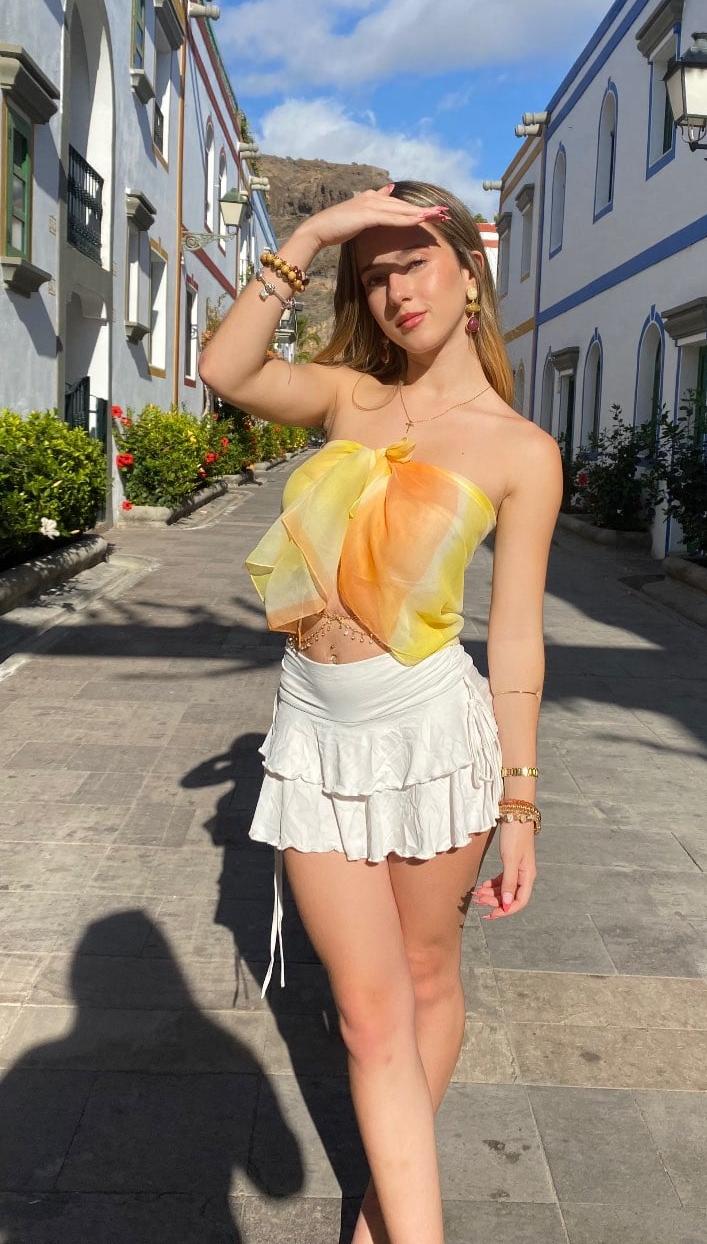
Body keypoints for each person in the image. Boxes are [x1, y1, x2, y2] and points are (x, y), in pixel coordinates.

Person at [198, 180, 562, 1244]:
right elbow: (226, 369)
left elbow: (518, 637)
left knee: (425, 973)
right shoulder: (347, 397)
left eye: (415, 262)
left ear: (468, 273)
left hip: (430, 730)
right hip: (312, 732)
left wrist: (521, 803)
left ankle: (384, 1221)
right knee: (365, 1013)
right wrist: (314, 235)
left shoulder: (521, 450)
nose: (397, 289)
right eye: (374, 276)